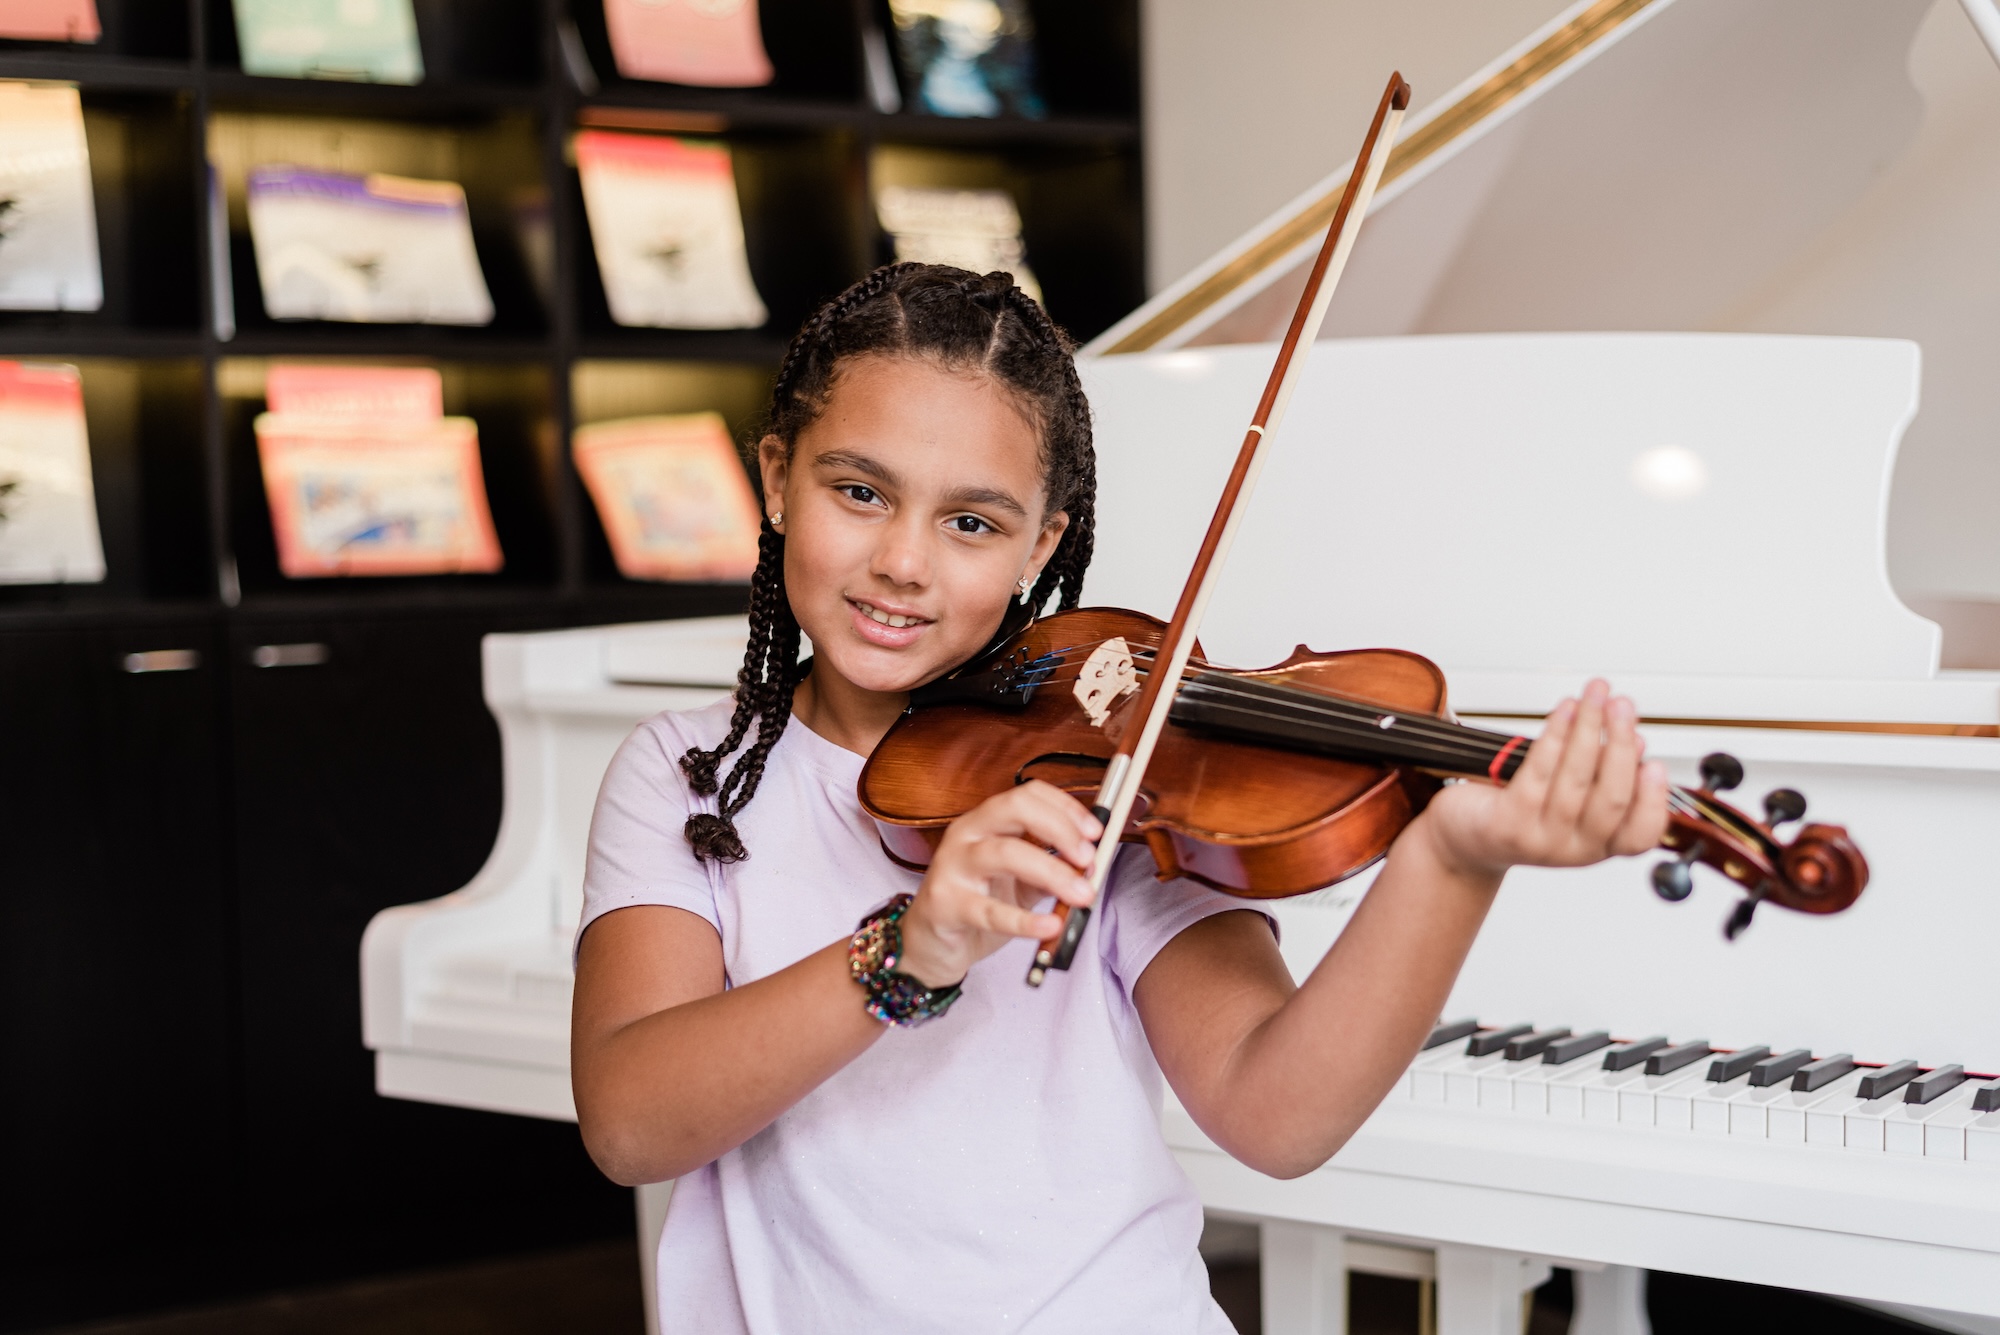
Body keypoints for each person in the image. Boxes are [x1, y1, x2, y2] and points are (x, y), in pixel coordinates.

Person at [571, 263, 1668, 1333]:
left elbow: (1275, 1115)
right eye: (860, 492)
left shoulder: (1110, 775)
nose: (903, 560)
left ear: (1040, 545)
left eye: (971, 522)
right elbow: (628, 1125)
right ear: (775, 478)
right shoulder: (689, 775)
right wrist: (908, 949)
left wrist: (1451, 861)